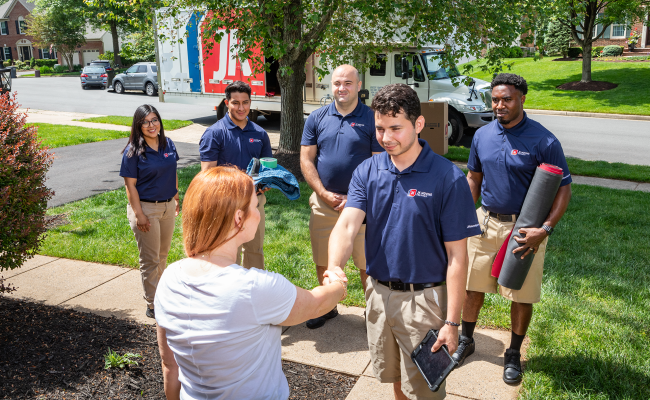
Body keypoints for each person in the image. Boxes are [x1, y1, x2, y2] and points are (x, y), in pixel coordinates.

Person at [327, 84, 481, 400]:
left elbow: (457, 258)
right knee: (395, 380)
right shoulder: (368, 170)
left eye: (396, 128)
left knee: (425, 391)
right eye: (380, 128)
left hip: (424, 302)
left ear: (418, 124)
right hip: (379, 294)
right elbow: (347, 225)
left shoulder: (447, 178)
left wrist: (452, 322)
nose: (386, 137)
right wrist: (334, 267)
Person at [154, 166, 347, 400]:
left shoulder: (170, 278)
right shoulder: (254, 288)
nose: (258, 213)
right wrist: (336, 283)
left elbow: (170, 366)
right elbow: (317, 304)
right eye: (256, 206)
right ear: (238, 218)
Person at [453, 73, 572, 385]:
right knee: (471, 286)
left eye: (506, 99)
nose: (499, 105)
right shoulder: (482, 136)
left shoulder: (544, 141)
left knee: (521, 295)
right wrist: (462, 216)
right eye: (495, 99)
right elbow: (473, 179)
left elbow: (563, 190)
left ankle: (513, 353)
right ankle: (467, 340)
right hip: (485, 222)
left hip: (525, 229)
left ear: (522, 98)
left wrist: (544, 229)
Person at [300, 64, 383, 329]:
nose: (341, 88)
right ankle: (327, 306)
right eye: (337, 83)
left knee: (366, 265)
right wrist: (322, 193)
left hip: (361, 207)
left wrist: (356, 198)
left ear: (359, 86)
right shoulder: (316, 118)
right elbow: (306, 159)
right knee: (323, 259)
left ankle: (373, 316)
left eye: (348, 83)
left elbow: (378, 164)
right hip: (324, 204)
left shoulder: (372, 119)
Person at [199, 80, 272, 270]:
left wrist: (268, 181)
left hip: (254, 202)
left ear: (250, 103)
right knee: (227, 253)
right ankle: (230, 295)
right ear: (226, 103)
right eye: (235, 103)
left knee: (255, 250)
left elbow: (266, 168)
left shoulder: (260, 134)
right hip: (225, 204)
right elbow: (207, 176)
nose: (241, 107)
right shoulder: (214, 133)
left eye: (245, 102)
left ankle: (255, 295)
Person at [120, 104, 180, 319]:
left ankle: (161, 296)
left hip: (167, 206)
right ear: (138, 125)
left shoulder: (168, 144)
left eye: (154, 120)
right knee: (150, 259)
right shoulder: (133, 151)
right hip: (146, 208)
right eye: (145, 122)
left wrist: (175, 196)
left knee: (162, 256)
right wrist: (139, 215)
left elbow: (172, 170)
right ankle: (153, 304)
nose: (151, 125)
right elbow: (130, 186)